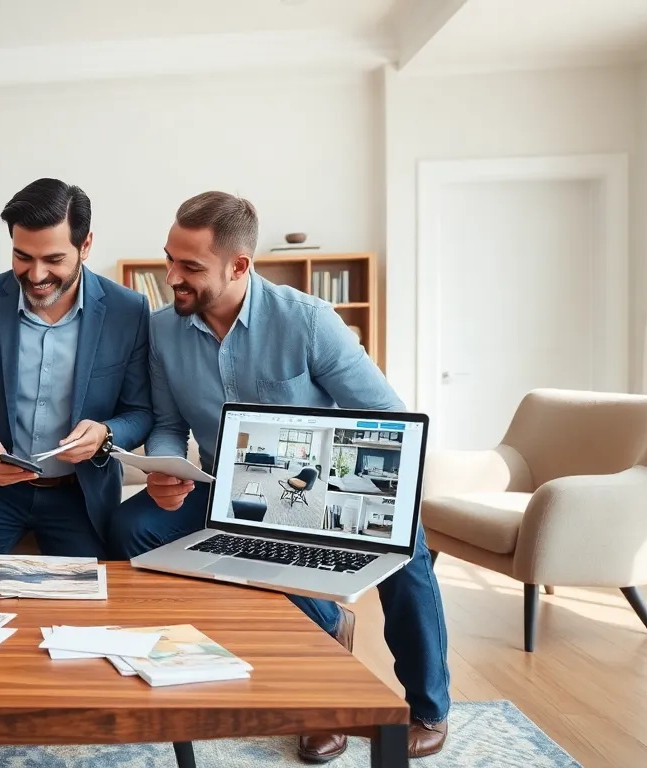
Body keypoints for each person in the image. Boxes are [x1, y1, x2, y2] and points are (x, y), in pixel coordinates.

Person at [108, 192, 450, 763]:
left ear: (239, 266)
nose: (172, 277)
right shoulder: (163, 331)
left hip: (322, 488)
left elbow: (388, 418)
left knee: (405, 542)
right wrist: (165, 472)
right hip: (224, 491)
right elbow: (168, 426)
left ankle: (428, 706)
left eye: (190, 267)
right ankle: (322, 644)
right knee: (135, 524)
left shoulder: (309, 322)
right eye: (169, 259)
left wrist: (339, 483)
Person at [0, 178, 152, 558]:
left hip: (80, 497)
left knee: (91, 608)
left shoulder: (128, 311)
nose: (36, 275)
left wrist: (105, 433)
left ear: (86, 246)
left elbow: (141, 411)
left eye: (54, 259)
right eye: (23, 256)